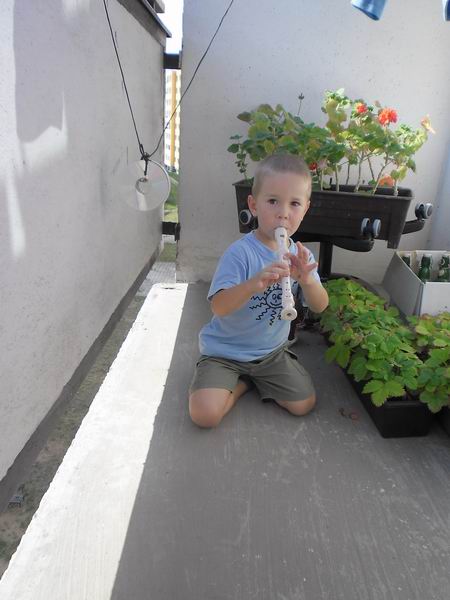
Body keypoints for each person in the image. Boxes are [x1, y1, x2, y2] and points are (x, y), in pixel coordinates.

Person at [189, 154, 329, 428]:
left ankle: (254, 378)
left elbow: (320, 306)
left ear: (305, 209)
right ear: (253, 205)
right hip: (225, 352)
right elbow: (219, 307)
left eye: (294, 203)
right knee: (205, 415)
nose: (283, 213)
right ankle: (243, 384)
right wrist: (253, 284)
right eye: (273, 201)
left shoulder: (301, 256)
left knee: (303, 404)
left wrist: (308, 281)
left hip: (270, 353)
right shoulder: (240, 253)